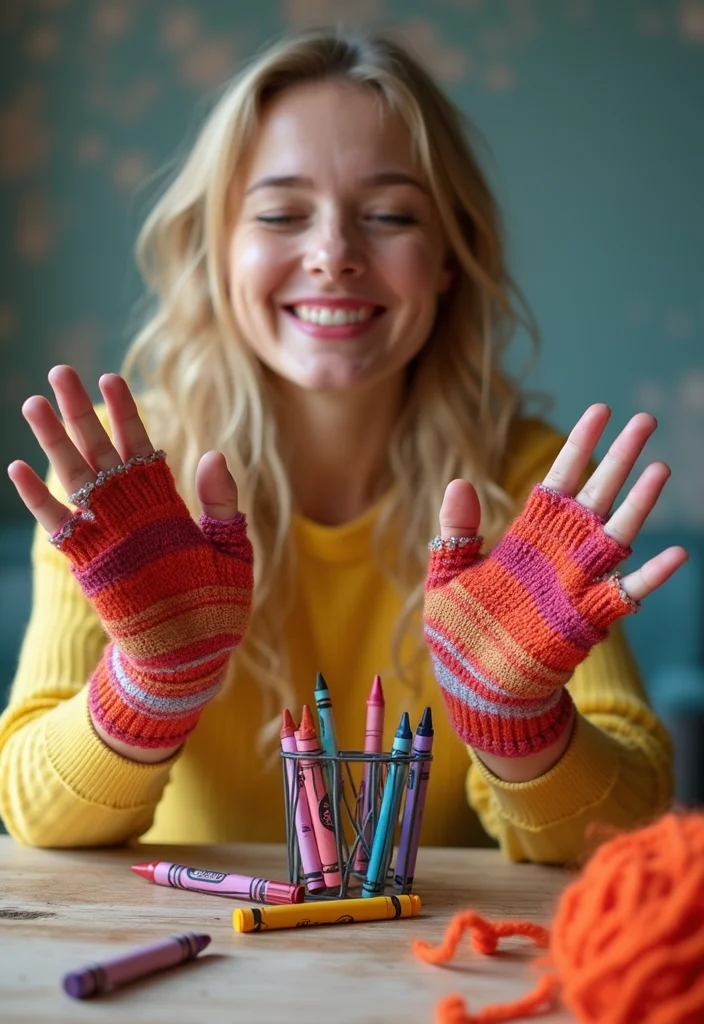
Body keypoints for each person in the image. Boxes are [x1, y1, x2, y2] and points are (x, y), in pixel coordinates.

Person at [0, 28, 687, 862]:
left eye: (390, 215)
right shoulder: (126, 486)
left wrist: (521, 723)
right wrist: (148, 685)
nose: (332, 255)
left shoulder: (529, 486)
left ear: (446, 260)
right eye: (282, 214)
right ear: (219, 251)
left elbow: (625, 826)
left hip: (424, 975)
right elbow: (38, 816)